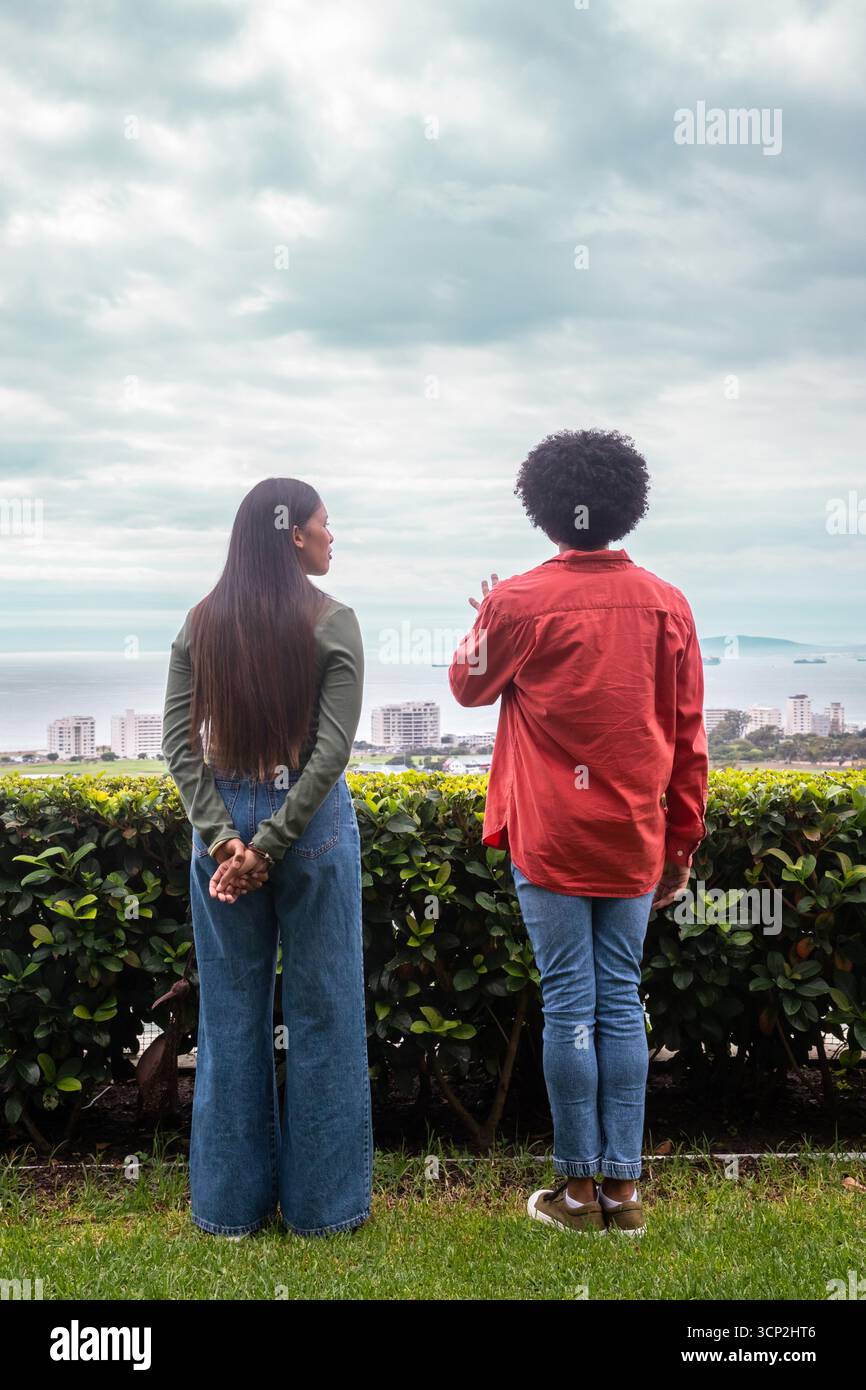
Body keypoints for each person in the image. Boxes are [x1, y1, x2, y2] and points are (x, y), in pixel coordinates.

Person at [449, 429, 708, 1237]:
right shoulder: (668, 603)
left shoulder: (519, 601)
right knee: (621, 1002)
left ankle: (575, 1194)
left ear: (546, 507)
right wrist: (682, 847)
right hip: (632, 837)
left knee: (569, 1006)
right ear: (625, 505)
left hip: (550, 839)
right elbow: (690, 739)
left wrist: (486, 617)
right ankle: (624, 1196)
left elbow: (466, 684)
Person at [162, 477, 372, 1238]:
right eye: (324, 524)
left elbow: (178, 746)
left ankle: (229, 1210)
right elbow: (330, 753)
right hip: (309, 826)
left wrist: (224, 840)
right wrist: (272, 843)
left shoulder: (201, 623)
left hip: (220, 821)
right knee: (325, 1014)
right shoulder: (333, 621)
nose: (331, 537)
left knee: (229, 1019)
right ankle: (324, 1213)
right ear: (293, 535)